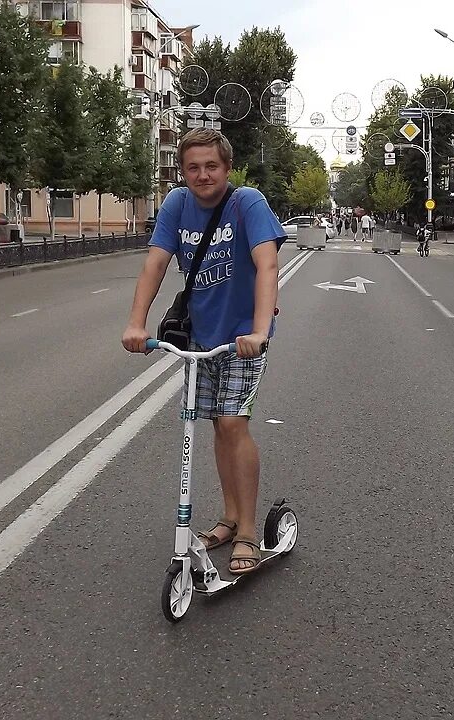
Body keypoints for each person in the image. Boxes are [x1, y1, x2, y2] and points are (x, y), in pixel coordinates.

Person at [122, 128, 285, 575]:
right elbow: (155, 262)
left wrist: (259, 329)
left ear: (227, 168)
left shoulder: (246, 202)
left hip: (241, 337)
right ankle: (230, 518)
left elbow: (267, 262)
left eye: (211, 166)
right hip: (201, 336)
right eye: (192, 167)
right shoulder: (176, 204)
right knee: (216, 424)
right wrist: (136, 322)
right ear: (183, 171)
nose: (202, 174)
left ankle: (249, 530)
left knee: (234, 422)